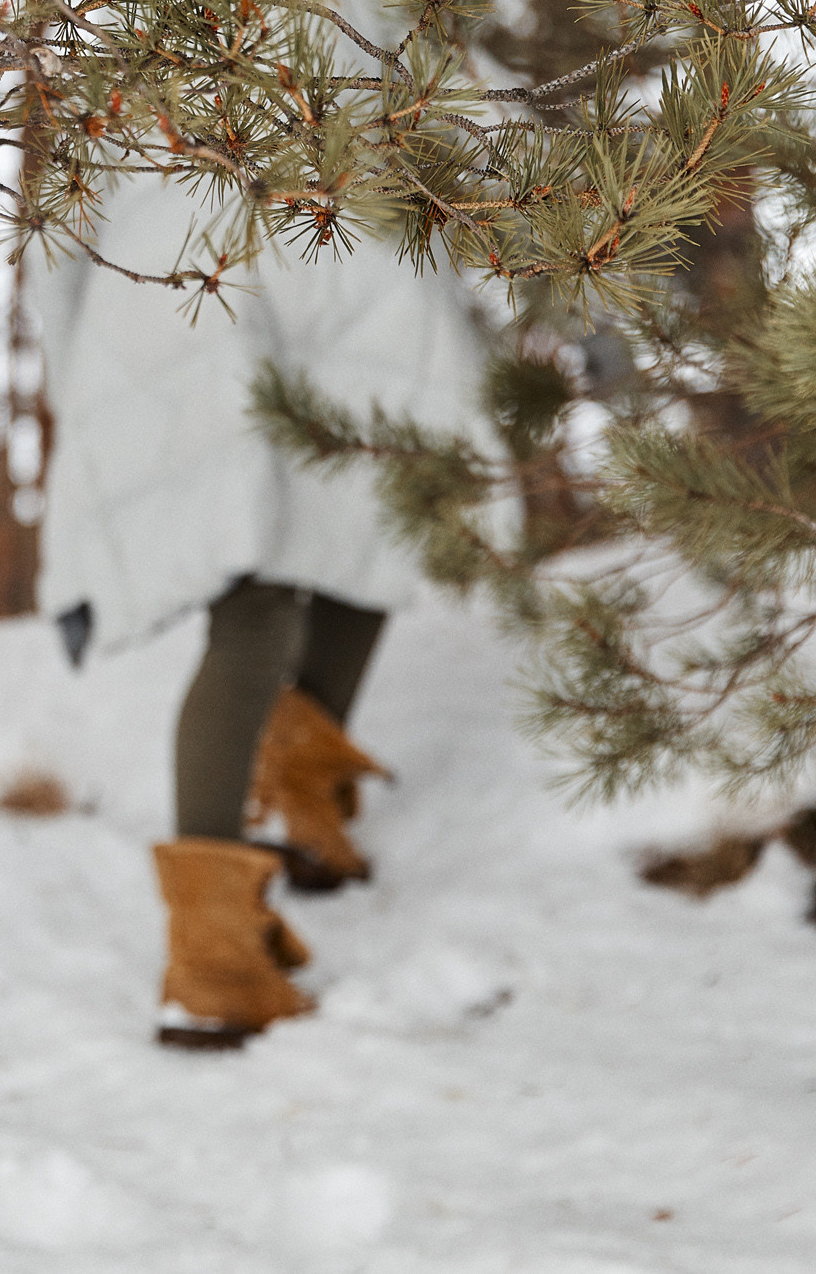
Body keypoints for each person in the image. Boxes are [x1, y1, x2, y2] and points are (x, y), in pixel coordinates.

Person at [34, 180, 502, 1048]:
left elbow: (60, 208)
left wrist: (81, 365)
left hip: (182, 270)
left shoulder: (123, 42)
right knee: (356, 528)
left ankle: (295, 808)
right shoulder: (385, 34)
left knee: (324, 553)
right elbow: (460, 136)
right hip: (341, 259)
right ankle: (215, 953)